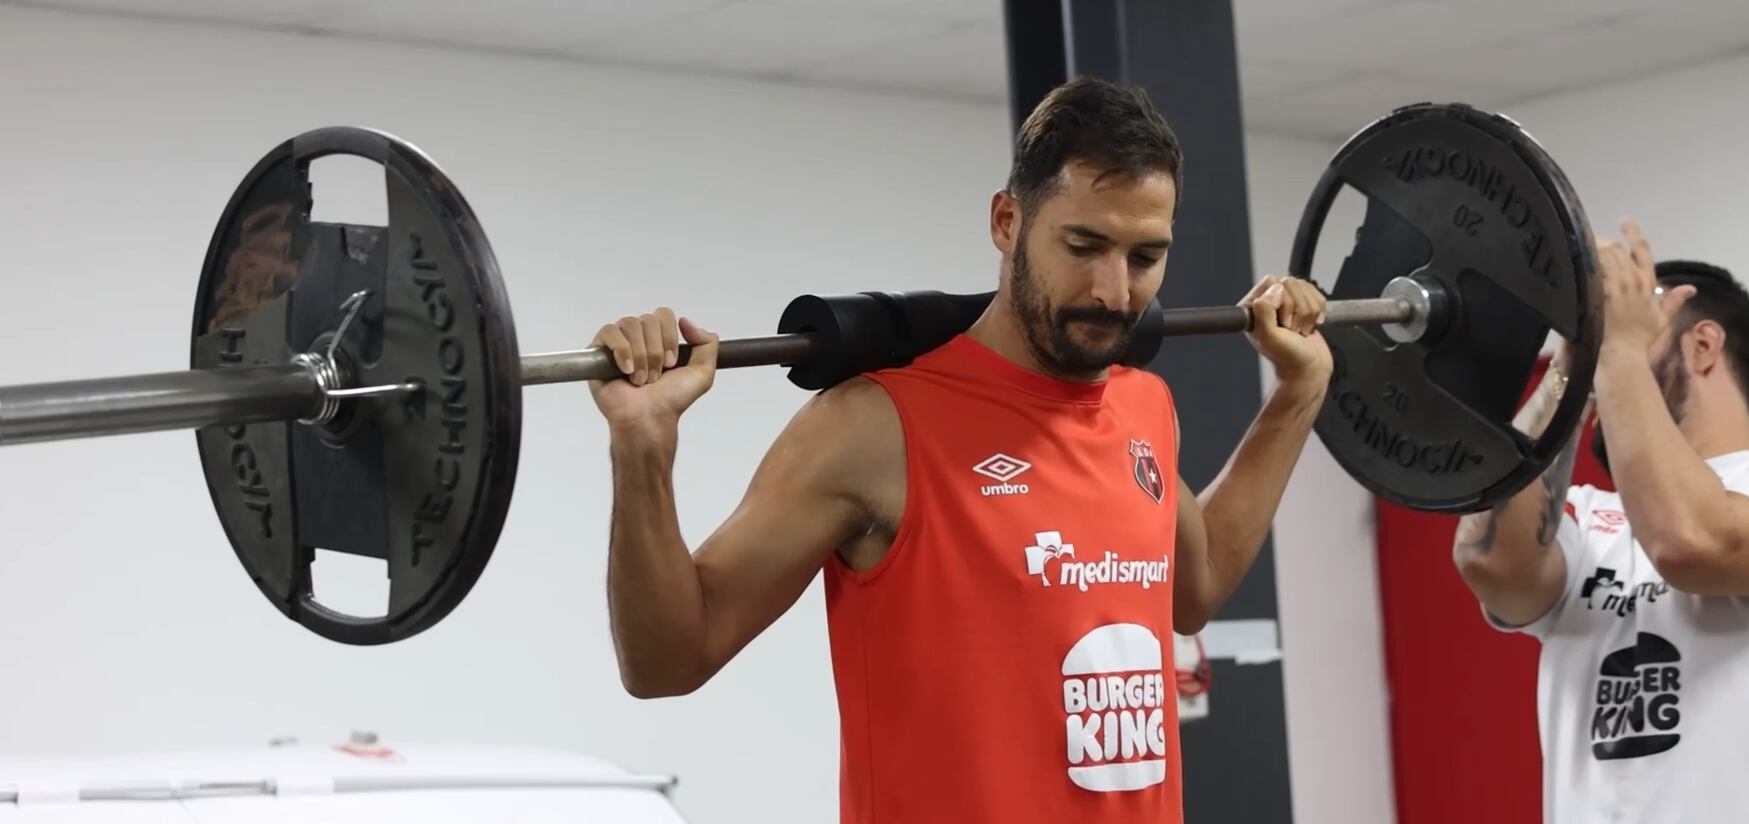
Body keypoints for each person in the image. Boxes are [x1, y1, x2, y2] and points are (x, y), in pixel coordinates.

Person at [586, 76, 1331, 823]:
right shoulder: (872, 427)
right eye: (1084, 246)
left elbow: (1194, 591)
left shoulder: (1144, 406)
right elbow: (665, 664)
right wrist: (642, 445)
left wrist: (1298, 393)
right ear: (1007, 222)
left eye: (1145, 257)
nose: (1113, 291)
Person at [1452, 220, 1749, 824]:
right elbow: (1490, 564)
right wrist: (1572, 364)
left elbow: (1689, 542)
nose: (1611, 342)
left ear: (1702, 345)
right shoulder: (1590, 517)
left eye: (1637, 321)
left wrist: (1620, 353)